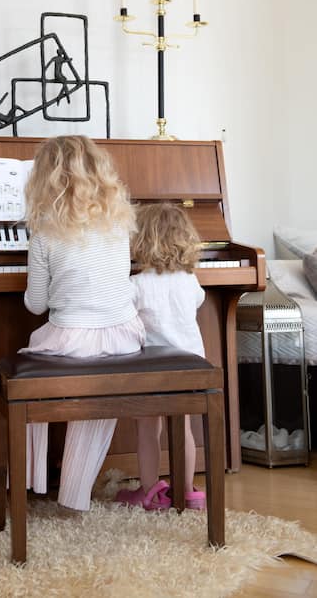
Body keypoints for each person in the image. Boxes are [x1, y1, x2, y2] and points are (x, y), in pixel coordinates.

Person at [20, 135, 145, 512]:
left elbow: (35, 304)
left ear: (45, 179)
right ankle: (73, 494)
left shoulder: (44, 229)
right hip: (125, 335)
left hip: (73, 338)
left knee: (29, 377)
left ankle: (31, 481)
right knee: (98, 384)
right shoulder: (119, 221)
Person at [115, 201, 207, 511]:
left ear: (140, 241)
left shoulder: (137, 284)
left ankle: (150, 490)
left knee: (147, 428)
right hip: (191, 369)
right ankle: (186, 491)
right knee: (183, 428)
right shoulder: (189, 280)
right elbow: (199, 300)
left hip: (152, 371)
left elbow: (122, 313)